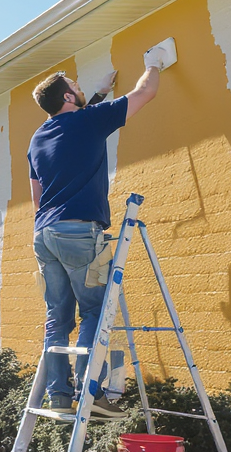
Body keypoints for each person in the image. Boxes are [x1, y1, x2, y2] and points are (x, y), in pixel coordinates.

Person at [27, 47, 165, 417]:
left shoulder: (38, 137)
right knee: (94, 312)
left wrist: (101, 91)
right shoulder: (91, 122)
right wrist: (154, 62)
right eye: (76, 85)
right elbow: (145, 93)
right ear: (69, 96)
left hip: (44, 234)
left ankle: (58, 395)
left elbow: (36, 198)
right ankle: (90, 393)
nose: (80, 86)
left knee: (58, 318)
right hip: (78, 231)